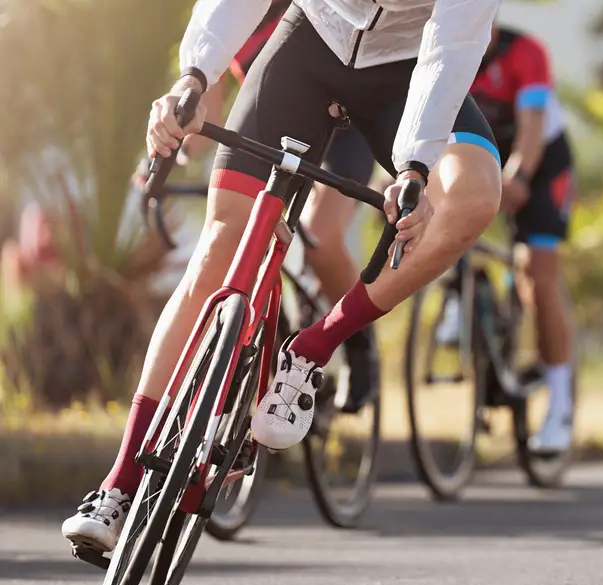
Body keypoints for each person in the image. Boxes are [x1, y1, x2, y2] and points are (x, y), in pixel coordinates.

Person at [62, 0, 502, 555]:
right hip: (313, 36)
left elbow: (453, 41)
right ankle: (119, 485)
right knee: (222, 243)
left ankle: (314, 347)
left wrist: (414, 166)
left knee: (474, 196)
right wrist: (195, 74)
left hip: (408, 65)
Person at [175, 0, 383, 414]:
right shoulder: (228, 15)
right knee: (241, 228)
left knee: (322, 236)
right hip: (283, 124)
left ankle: (358, 343)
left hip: (349, 128)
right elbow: (203, 127)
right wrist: (169, 148)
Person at [436, 22, 577, 454]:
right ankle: (460, 297)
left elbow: (532, 129)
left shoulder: (525, 51)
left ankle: (560, 404)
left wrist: (519, 177)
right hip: (481, 155)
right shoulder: (444, 44)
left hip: (540, 160)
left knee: (537, 273)